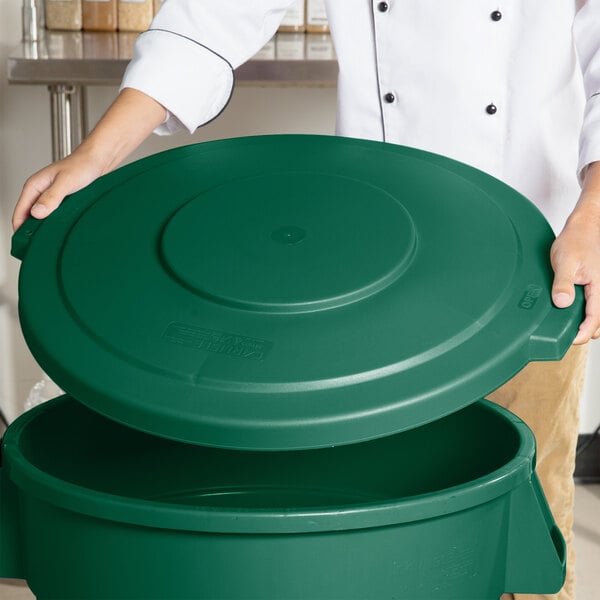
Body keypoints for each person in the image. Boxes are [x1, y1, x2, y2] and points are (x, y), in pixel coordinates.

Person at [12, 2, 600, 599]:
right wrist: (96, 155)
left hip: (532, 262)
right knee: (366, 553)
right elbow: (210, 17)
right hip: (371, 272)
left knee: (521, 540)